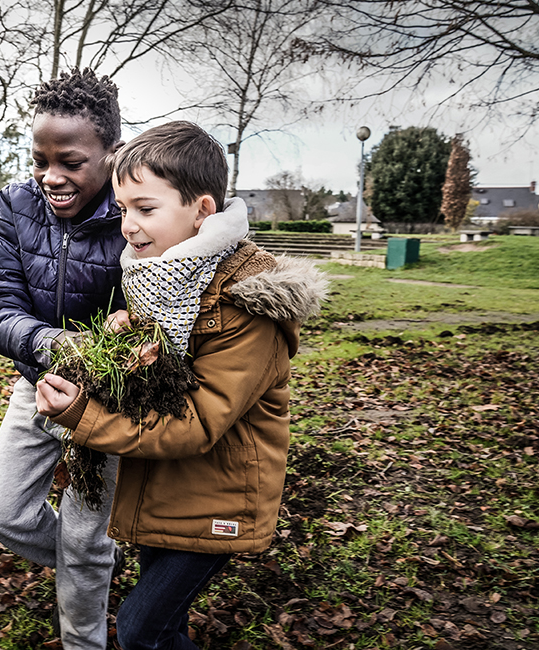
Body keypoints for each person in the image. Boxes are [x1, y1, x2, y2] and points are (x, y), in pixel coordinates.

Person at [35, 121, 328, 649]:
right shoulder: (165, 277)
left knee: (142, 629)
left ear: (202, 210)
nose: (127, 225)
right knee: (163, 628)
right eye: (123, 209)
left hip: (217, 496)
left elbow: (192, 422)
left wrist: (82, 415)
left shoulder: (246, 302)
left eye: (145, 209)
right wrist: (123, 347)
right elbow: (161, 376)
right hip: (166, 489)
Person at [0, 67, 128, 650]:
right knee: (4, 514)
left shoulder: (134, 207)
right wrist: (48, 344)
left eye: (70, 161)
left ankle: (83, 637)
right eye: (40, 160)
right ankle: (89, 566)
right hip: (38, 379)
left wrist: (120, 338)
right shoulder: (17, 205)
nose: (50, 176)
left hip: (110, 397)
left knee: (88, 538)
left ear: (111, 152)